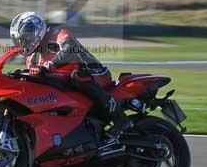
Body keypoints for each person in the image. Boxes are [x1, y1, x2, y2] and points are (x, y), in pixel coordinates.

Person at [9, 11, 132, 141]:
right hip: (66, 82)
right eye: (20, 40)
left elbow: (69, 49)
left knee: (78, 77)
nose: (24, 42)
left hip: (93, 73)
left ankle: (121, 120)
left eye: (26, 37)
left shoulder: (57, 34)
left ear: (37, 29)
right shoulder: (32, 58)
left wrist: (51, 65)